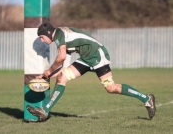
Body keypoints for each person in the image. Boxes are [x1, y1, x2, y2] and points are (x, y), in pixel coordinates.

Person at [26, 22, 156, 122]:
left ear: (48, 33)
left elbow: (61, 57)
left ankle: (146, 98)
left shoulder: (59, 33)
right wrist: (45, 76)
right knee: (61, 78)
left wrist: (49, 70)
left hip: (97, 55)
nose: (42, 41)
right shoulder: (62, 38)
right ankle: (45, 110)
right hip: (86, 59)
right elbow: (64, 66)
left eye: (42, 37)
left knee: (111, 88)